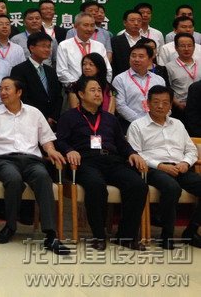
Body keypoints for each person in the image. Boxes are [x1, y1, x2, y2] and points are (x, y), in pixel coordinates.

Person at [0, 77, 69, 254]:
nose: (3, 92)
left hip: (32, 160)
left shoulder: (34, 113)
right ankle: (10, 226)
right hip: (5, 159)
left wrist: (51, 150)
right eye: (1, 89)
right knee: (13, 179)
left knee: (43, 177)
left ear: (19, 92)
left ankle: (50, 234)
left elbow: (46, 139)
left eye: (7, 89)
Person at [56, 76, 148, 251]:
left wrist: (132, 154)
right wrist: (69, 150)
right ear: (81, 94)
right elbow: (60, 141)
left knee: (138, 185)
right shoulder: (69, 117)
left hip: (112, 161)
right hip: (85, 162)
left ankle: (126, 236)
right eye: (93, 90)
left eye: (99, 90)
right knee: (96, 185)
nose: (98, 94)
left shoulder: (110, 118)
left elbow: (121, 144)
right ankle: (99, 236)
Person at [127, 85, 201, 249]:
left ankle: (191, 231)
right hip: (152, 169)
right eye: (156, 102)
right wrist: (160, 165)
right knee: (171, 187)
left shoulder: (178, 124)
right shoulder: (137, 126)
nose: (160, 106)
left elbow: (191, 150)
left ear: (170, 105)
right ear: (148, 103)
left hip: (180, 167)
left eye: (165, 102)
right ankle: (166, 236)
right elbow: (135, 154)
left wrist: (185, 163)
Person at [10, 32, 62, 125]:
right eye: (43, 46)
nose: (47, 49)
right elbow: (21, 97)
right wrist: (41, 117)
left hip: (52, 121)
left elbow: (58, 96)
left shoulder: (50, 71)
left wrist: (53, 117)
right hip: (29, 120)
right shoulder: (19, 70)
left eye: (49, 46)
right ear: (32, 48)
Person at [112, 43, 166, 131]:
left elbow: (165, 102)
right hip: (130, 125)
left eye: (141, 56)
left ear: (150, 59)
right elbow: (120, 105)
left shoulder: (159, 80)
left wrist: (158, 119)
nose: (136, 59)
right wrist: (141, 122)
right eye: (133, 56)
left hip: (157, 124)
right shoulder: (120, 79)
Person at [56, 12, 111, 89]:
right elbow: (62, 72)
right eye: (85, 25)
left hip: (97, 90)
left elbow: (107, 70)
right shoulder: (64, 45)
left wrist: (99, 87)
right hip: (73, 90)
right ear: (75, 26)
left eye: (92, 25)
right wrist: (79, 87)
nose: (89, 29)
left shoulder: (99, 46)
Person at [167, 33, 200, 121]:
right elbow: (168, 89)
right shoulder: (169, 67)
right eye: (182, 46)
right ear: (176, 48)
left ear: (194, 47)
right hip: (181, 108)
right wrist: (177, 103)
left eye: (189, 45)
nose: (186, 49)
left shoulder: (200, 63)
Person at [110, 9, 146, 77]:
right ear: (124, 23)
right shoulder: (114, 41)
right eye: (132, 20)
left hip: (144, 78)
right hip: (121, 79)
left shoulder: (147, 42)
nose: (136, 23)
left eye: (139, 21)